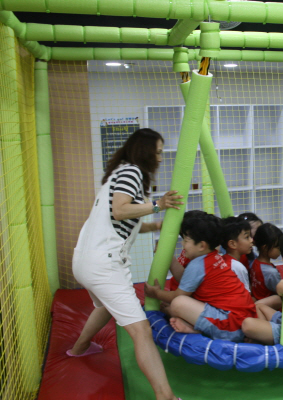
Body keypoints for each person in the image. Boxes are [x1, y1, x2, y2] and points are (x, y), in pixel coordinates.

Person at [68, 128, 184, 400]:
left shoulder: (118, 174)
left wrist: (156, 225)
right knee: (141, 330)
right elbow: (120, 210)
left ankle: (79, 348)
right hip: (103, 265)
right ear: (145, 151)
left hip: (85, 261)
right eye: (158, 152)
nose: (160, 158)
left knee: (105, 307)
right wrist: (158, 205)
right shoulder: (132, 172)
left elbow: (124, 221)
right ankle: (166, 397)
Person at [144, 213, 256, 342]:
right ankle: (194, 326)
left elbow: (179, 295)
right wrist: (168, 256)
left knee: (178, 303)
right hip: (241, 320)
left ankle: (197, 329)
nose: (183, 244)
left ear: (202, 246)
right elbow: (186, 280)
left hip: (230, 327)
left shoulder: (199, 264)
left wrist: (156, 293)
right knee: (180, 301)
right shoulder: (212, 257)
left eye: (186, 241)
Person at [249, 223, 283, 302]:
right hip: (270, 306)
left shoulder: (254, 262)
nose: (280, 250)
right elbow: (282, 292)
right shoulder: (271, 272)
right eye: (278, 247)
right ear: (265, 248)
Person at [220, 216, 253, 292]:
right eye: (247, 237)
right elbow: (245, 295)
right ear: (232, 244)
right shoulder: (237, 267)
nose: (251, 240)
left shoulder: (222, 260)